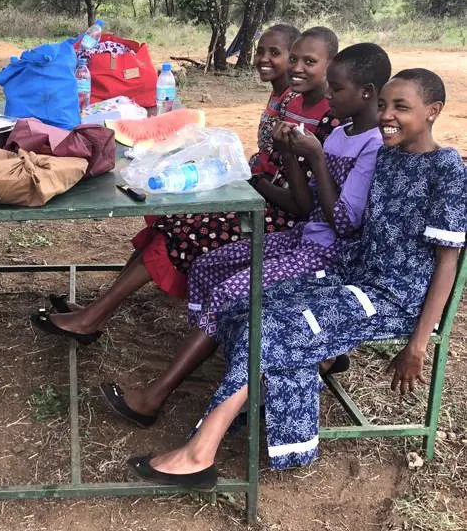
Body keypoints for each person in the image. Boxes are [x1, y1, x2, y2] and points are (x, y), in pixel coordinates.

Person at [128, 68, 466, 488]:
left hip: (395, 298)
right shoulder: (388, 156)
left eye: (401, 107)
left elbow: (447, 263)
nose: (386, 116)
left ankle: (200, 452)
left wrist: (418, 344)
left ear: (433, 112)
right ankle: (297, 380)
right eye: (383, 105)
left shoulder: (447, 170)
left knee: (271, 328)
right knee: (248, 303)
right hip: (350, 274)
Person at [102, 42, 391, 426]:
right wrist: (290, 155)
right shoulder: (340, 135)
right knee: (207, 266)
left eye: (337, 90)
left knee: (228, 292)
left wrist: (317, 156)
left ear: (366, 92)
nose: (331, 97)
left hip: (331, 256)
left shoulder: (373, 147)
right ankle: (225, 358)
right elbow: (306, 207)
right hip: (304, 237)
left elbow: (345, 223)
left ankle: (155, 397)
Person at [33, 25, 339, 343]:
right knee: (171, 218)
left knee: (182, 228)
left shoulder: (326, 114)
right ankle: (97, 311)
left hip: (280, 215)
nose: (270, 60)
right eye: (264, 52)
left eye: (280, 54)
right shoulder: (291, 100)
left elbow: (302, 192)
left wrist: (256, 182)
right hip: (261, 191)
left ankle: (91, 318)